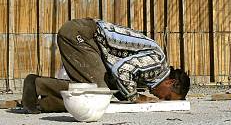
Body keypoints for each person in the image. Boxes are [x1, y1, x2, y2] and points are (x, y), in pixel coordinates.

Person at [22, 18, 190, 113]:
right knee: (99, 91)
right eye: (167, 97)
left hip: (88, 39)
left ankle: (43, 103)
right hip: (82, 34)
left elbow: (119, 80)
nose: (162, 100)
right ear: (170, 83)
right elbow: (121, 70)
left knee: (99, 97)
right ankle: (36, 84)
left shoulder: (152, 75)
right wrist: (136, 98)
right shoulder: (157, 63)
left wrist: (129, 98)